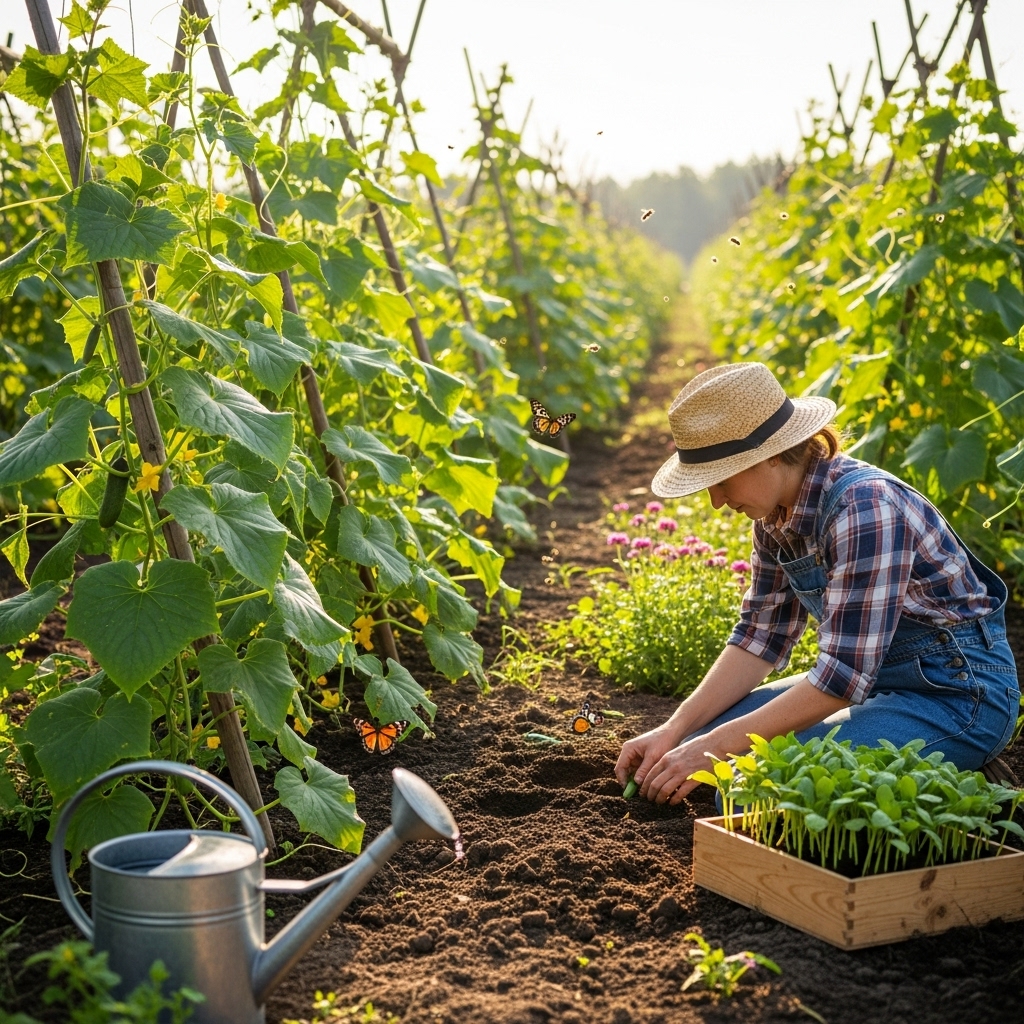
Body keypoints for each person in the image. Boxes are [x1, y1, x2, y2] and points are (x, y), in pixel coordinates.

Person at [614, 362, 1020, 805]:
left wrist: (715, 747)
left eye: (721, 480)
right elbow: (759, 638)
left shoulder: (865, 508)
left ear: (770, 454)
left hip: (953, 697)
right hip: (874, 686)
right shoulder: (774, 519)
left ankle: (961, 762)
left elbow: (840, 678)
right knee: (693, 749)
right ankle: (893, 741)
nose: (716, 501)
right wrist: (674, 730)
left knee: (750, 788)